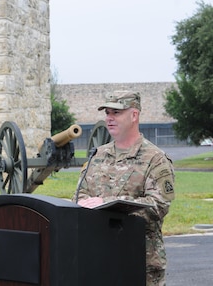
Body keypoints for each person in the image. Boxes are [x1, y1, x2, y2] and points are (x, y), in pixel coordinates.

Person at [75, 91, 175, 286]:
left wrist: (108, 204)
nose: (109, 118)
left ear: (134, 115)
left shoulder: (155, 159)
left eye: (116, 113)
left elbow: (158, 206)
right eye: (107, 113)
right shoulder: (98, 155)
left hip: (141, 261)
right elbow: (80, 195)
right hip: (100, 258)